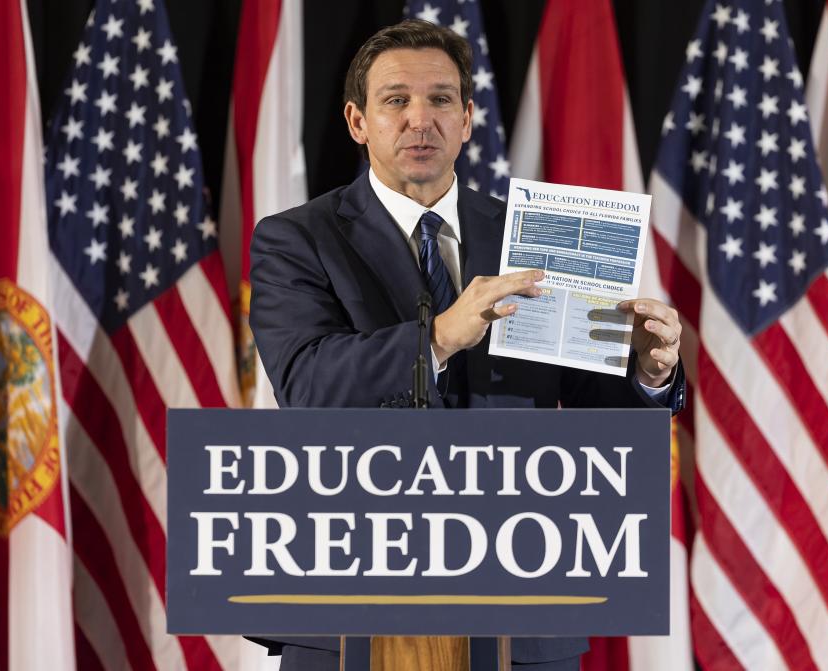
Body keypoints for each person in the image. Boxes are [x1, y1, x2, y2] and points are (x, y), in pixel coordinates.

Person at [248, 18, 684, 671]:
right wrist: (442, 335)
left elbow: (599, 407)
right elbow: (309, 385)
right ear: (357, 120)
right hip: (352, 608)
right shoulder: (296, 240)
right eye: (396, 100)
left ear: (469, 118)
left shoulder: (533, 235)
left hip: (521, 611)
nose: (420, 118)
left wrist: (649, 374)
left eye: (441, 99)